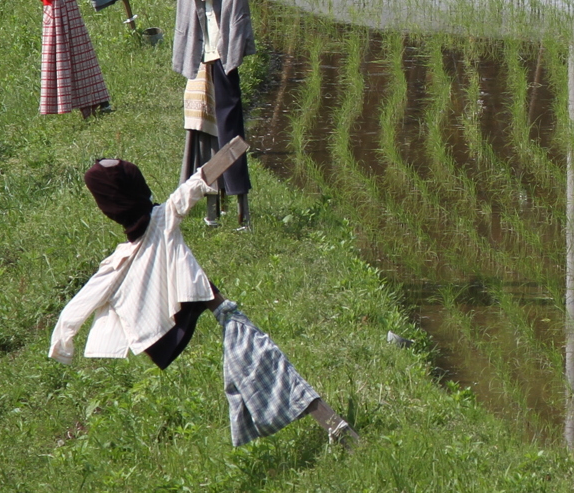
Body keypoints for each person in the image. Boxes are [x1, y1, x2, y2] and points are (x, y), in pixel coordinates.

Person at [49, 157, 356, 446]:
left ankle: (324, 425)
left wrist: (63, 345)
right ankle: (334, 427)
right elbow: (188, 192)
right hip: (209, 313)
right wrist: (223, 157)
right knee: (261, 360)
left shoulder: (130, 251)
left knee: (255, 364)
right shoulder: (139, 242)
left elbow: (76, 306)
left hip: (199, 320)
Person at [128, 0, 284, 227]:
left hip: (208, 62)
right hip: (210, 62)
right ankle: (228, 208)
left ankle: (224, 209)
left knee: (213, 132)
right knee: (219, 130)